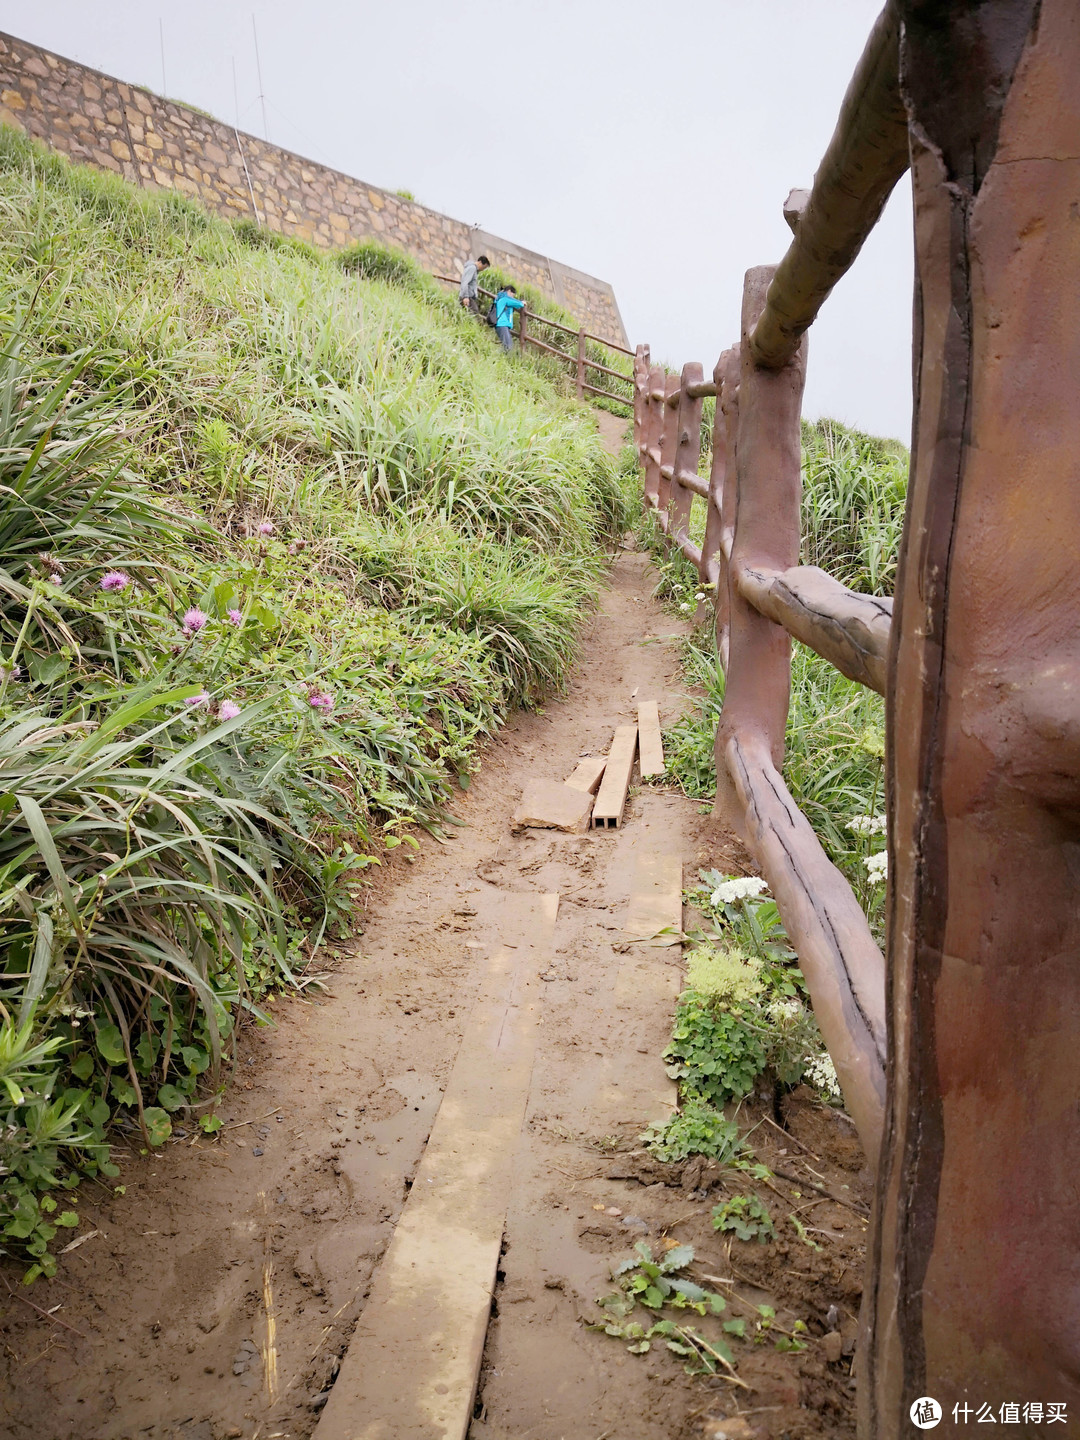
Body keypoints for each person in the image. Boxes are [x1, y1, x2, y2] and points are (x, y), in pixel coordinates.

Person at [493, 284, 525, 354]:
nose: (512, 297)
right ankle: (497, 357)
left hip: (500, 324)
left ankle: (497, 357)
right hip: (502, 324)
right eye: (513, 295)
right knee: (508, 346)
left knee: (507, 345)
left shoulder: (500, 297)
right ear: (509, 291)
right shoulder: (505, 298)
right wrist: (522, 302)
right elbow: (519, 304)